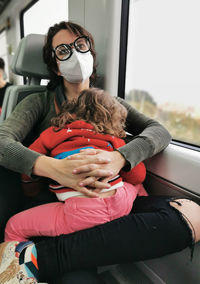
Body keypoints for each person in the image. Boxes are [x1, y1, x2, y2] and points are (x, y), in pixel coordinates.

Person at [0, 21, 199, 284]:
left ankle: (40, 258)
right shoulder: (38, 102)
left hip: (114, 196)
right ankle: (59, 255)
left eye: (80, 45)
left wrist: (120, 158)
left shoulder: (111, 103)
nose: (74, 54)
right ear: (54, 64)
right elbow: (2, 142)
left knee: (192, 216)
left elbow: (159, 131)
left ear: (91, 53)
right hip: (59, 204)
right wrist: (54, 168)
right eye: (63, 50)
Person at [5, 88, 147, 242]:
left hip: (78, 213)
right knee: (136, 185)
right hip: (120, 204)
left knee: (14, 227)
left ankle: (21, 264)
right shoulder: (113, 139)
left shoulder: (52, 133)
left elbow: (28, 167)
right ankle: (143, 208)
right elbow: (138, 175)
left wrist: (31, 191)